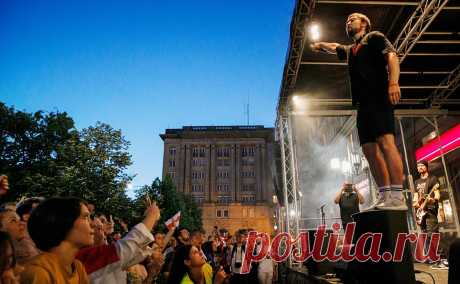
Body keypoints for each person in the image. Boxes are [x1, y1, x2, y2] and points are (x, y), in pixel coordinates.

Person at [310, 13, 405, 210]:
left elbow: (392, 56)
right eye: (346, 21)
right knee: (369, 150)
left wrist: (393, 82)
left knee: (386, 143)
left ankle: (397, 196)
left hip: (379, 96)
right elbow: (335, 47)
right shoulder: (352, 49)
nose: (348, 22)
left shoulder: (375, 37)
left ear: (364, 23)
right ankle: (385, 195)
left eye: (352, 19)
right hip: (362, 105)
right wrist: (320, 45)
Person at [21, 197, 93, 283]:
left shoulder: (78, 267)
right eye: (85, 217)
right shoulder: (38, 271)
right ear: (64, 222)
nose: (92, 223)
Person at [412, 160, 447, 269]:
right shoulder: (416, 182)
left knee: (433, 234)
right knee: (426, 236)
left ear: (426, 167)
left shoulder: (433, 179)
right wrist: (416, 204)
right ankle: (433, 260)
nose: (420, 167)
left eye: (422, 165)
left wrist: (431, 200)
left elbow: (437, 195)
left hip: (431, 211)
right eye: (418, 166)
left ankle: (441, 259)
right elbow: (415, 197)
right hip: (421, 213)